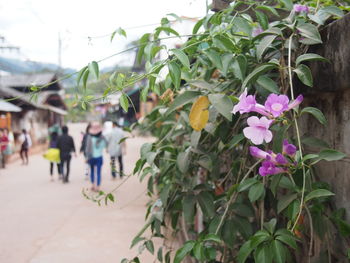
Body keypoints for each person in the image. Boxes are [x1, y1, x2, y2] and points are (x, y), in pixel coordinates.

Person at [85, 122, 107, 192]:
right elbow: (105, 146)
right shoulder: (103, 138)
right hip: (99, 157)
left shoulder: (89, 137)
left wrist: (86, 157)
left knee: (92, 171)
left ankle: (93, 185)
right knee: (98, 172)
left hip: (91, 157)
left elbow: (87, 149)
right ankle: (98, 187)